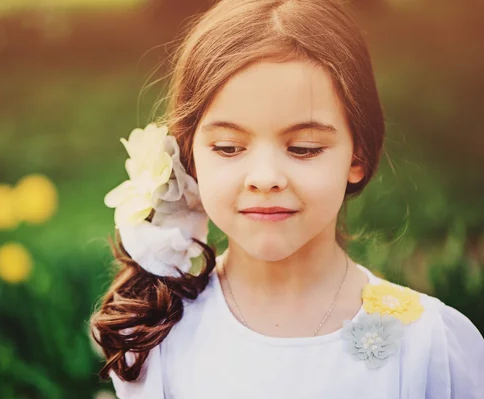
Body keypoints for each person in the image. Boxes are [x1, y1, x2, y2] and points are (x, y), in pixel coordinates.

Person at [89, 0, 484, 398]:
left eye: (304, 148)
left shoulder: (425, 346)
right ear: (189, 155)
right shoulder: (157, 336)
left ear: (358, 154)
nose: (265, 179)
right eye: (228, 147)